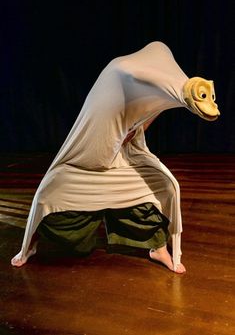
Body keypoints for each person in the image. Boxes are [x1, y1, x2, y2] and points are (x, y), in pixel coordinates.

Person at [11, 42, 220, 273]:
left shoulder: (154, 86)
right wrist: (184, 92)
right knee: (47, 193)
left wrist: (135, 129)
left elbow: (150, 112)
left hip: (122, 156)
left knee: (167, 186)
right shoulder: (119, 71)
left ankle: (158, 247)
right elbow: (126, 76)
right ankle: (30, 245)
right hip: (87, 159)